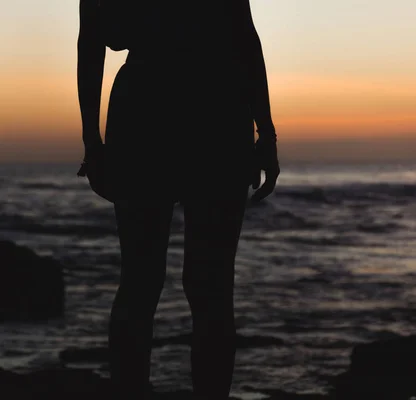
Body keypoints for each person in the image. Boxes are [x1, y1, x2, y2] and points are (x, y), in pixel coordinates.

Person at [76, 1, 280, 398]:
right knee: (208, 285)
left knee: (142, 280)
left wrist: (92, 141)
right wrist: (265, 132)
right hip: (214, 111)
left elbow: (94, 39)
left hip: (148, 111)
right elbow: (244, 36)